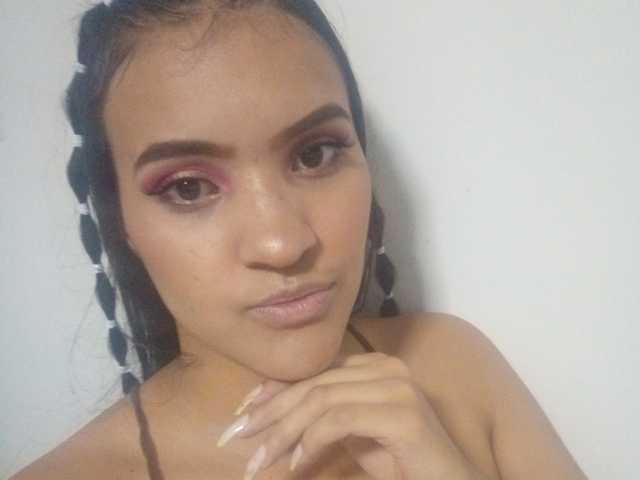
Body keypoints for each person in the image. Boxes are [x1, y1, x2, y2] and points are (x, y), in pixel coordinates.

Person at [13, 1, 588, 479]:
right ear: (123, 223)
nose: (282, 244)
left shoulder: (456, 364)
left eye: (315, 154)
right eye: (188, 188)